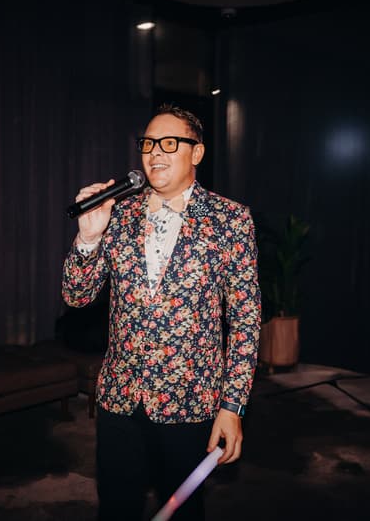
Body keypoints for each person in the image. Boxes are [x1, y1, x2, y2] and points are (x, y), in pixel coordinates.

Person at [61, 104, 261, 521]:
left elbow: (244, 321)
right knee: (116, 507)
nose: (156, 152)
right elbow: (77, 296)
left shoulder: (230, 219)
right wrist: (88, 237)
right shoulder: (118, 214)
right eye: (149, 143)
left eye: (170, 143)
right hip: (120, 399)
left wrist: (232, 406)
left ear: (197, 153)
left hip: (190, 401)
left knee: (183, 510)